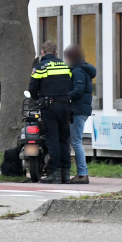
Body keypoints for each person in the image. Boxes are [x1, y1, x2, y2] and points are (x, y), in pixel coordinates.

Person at [28, 41, 72, 184]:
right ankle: (66, 174)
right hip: (65, 106)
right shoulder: (65, 66)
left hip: (49, 107)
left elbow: (32, 88)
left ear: (42, 52)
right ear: (56, 52)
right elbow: (69, 85)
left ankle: (55, 173)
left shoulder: (40, 67)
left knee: (52, 139)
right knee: (64, 139)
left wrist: (37, 99)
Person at [64, 44, 95, 184]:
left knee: (76, 142)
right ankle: (81, 173)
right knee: (76, 141)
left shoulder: (78, 71)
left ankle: (82, 174)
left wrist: (63, 96)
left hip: (78, 109)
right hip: (83, 108)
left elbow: (78, 90)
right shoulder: (83, 69)